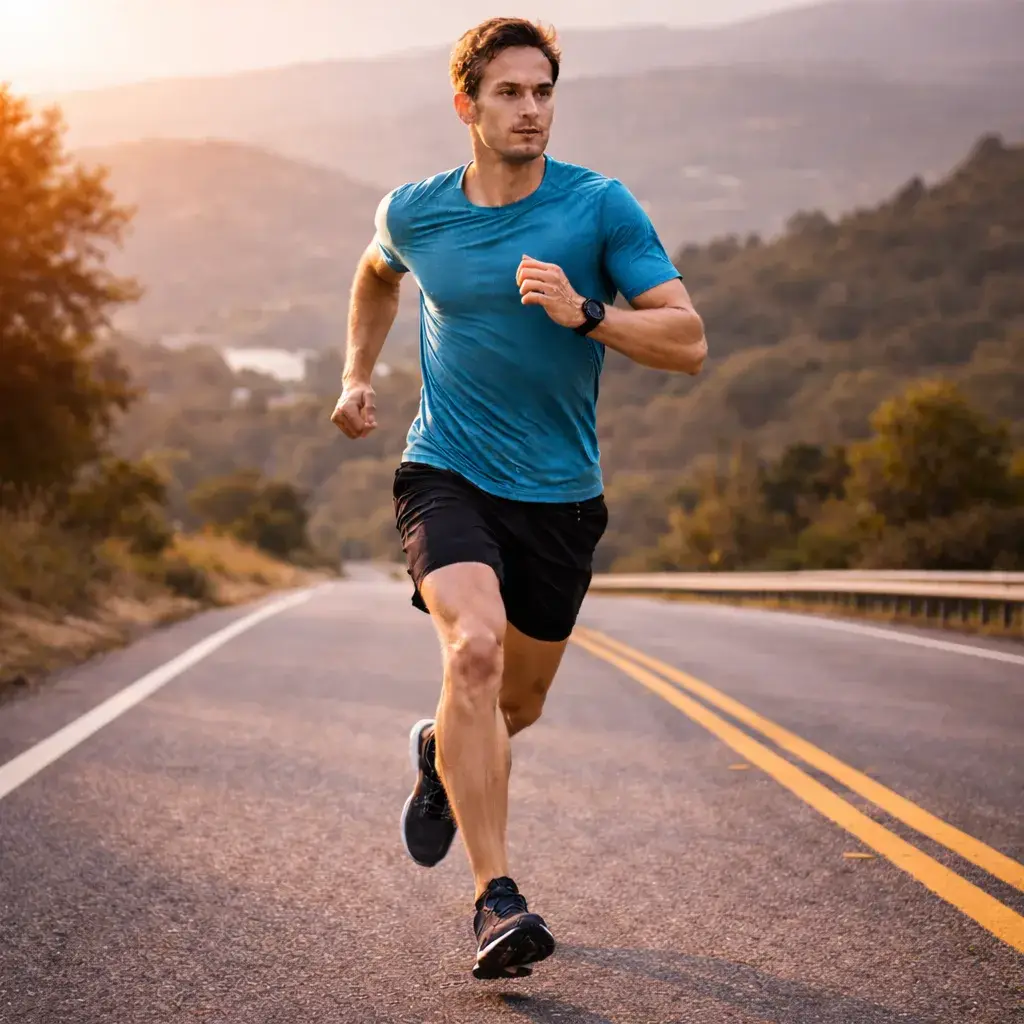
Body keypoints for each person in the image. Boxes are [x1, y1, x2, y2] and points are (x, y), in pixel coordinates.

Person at [330, 17, 707, 980]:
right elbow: (376, 275)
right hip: (445, 469)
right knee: (476, 648)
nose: (530, 109)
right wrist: (357, 375)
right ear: (467, 105)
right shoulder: (417, 211)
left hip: (562, 497)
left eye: (542, 92)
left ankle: (436, 754)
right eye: (509, 92)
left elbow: (688, 341)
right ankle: (497, 899)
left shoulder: (598, 208)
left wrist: (588, 314)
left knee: (513, 708)